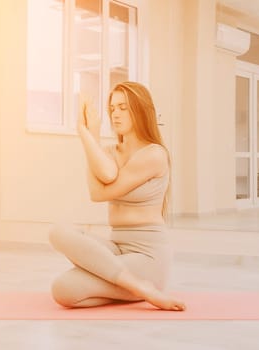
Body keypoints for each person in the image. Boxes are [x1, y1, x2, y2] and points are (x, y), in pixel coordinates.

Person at [48, 81, 186, 311]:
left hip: (147, 256)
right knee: (58, 235)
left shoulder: (154, 154)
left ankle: (144, 287)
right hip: (117, 247)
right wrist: (88, 137)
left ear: (140, 110)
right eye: (112, 108)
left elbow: (102, 192)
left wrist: (92, 143)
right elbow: (101, 181)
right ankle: (132, 287)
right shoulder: (110, 152)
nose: (115, 114)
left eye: (123, 107)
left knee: (64, 289)